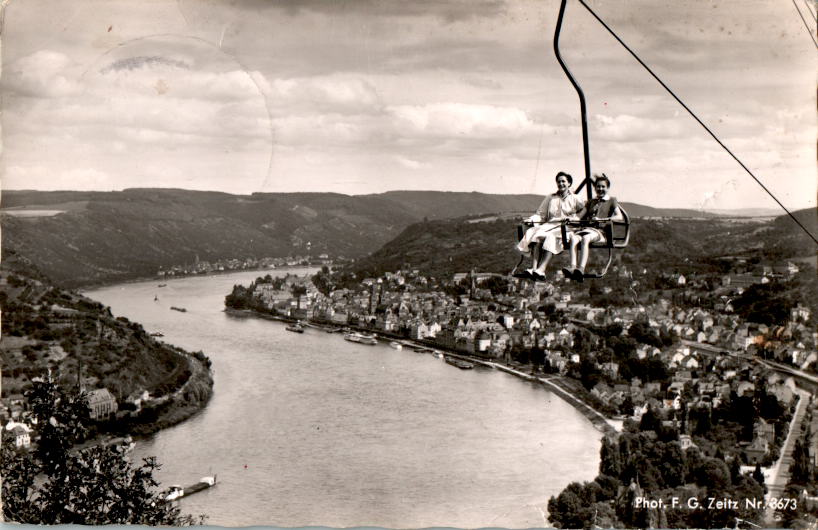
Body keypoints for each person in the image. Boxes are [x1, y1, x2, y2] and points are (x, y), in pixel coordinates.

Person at [514, 171, 584, 281]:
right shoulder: (551, 198)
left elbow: (582, 214)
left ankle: (541, 269)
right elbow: (540, 214)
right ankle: (534, 268)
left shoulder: (576, 198)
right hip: (550, 225)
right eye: (559, 182)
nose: (561, 184)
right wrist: (531, 220)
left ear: (569, 183)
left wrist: (573, 220)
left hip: (567, 227)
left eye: (563, 181)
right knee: (536, 234)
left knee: (549, 237)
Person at [563, 174, 624, 282]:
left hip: (600, 232)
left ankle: (581, 268)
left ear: (607, 188)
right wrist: (571, 219)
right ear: (595, 188)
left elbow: (619, 217)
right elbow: (579, 216)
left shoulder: (611, 201)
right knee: (573, 238)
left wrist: (604, 219)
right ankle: (573, 267)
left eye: (603, 187)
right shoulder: (591, 202)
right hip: (587, 230)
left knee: (586, 239)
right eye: (598, 187)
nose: (600, 189)